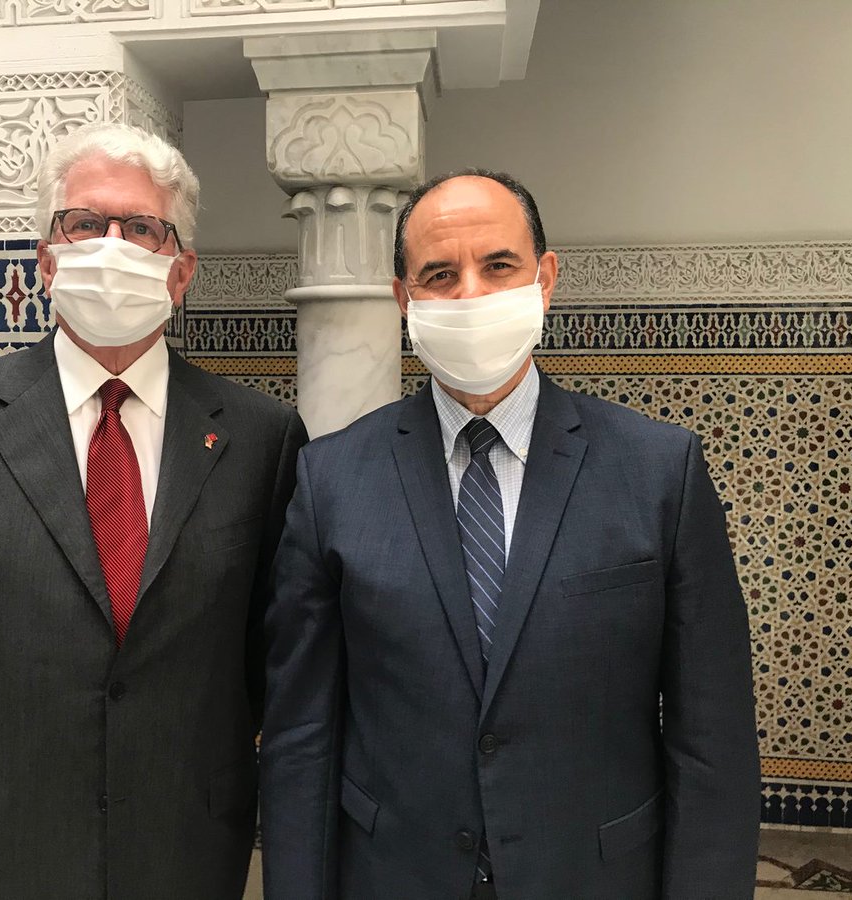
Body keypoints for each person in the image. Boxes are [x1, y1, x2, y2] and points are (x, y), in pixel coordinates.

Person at [259, 169, 760, 899]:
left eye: (499, 266)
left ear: (545, 279)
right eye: (440, 274)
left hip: (594, 877)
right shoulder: (331, 478)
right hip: (395, 875)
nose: (471, 294)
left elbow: (711, 737)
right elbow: (301, 737)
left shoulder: (659, 471)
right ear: (403, 299)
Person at [0, 122, 308, 900]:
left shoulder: (262, 438)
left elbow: (262, 650)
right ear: (47, 261)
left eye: (142, 228)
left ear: (180, 272)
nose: (111, 245)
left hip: (182, 838)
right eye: (84, 223)